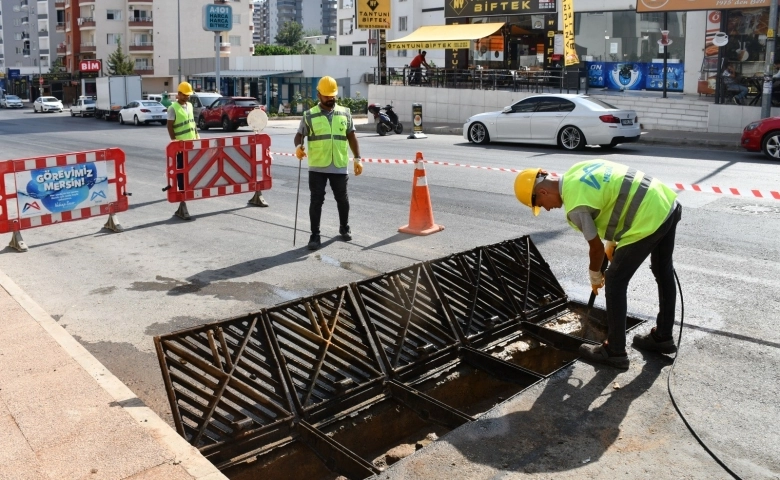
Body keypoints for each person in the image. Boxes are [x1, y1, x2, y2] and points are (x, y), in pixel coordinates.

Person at [514, 160, 682, 370]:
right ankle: (663, 337)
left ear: (542, 192)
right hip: (666, 202)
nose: (544, 209)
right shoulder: (577, 169)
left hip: (648, 217)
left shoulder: (574, 206)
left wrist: (595, 274)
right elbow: (614, 193)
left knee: (615, 280)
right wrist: (613, 240)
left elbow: (595, 249)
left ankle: (615, 351)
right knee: (663, 271)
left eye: (538, 204)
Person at [293, 76, 363, 251]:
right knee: (316, 201)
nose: (331, 99)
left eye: (333, 95)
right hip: (317, 166)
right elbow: (299, 135)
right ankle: (315, 236)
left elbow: (351, 137)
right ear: (318, 95)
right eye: (327, 96)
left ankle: (344, 227)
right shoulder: (309, 115)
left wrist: (357, 158)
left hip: (339, 164)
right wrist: (298, 147)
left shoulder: (345, 113)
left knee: (342, 199)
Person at [167, 81, 199, 192]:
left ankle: (189, 186)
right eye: (185, 94)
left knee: (191, 166)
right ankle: (181, 189)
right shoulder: (173, 108)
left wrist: (197, 137)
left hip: (192, 142)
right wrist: (174, 141)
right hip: (180, 144)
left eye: (188, 94)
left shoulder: (189, 106)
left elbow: (192, 123)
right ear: (179, 94)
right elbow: (169, 126)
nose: (187, 97)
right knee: (181, 168)